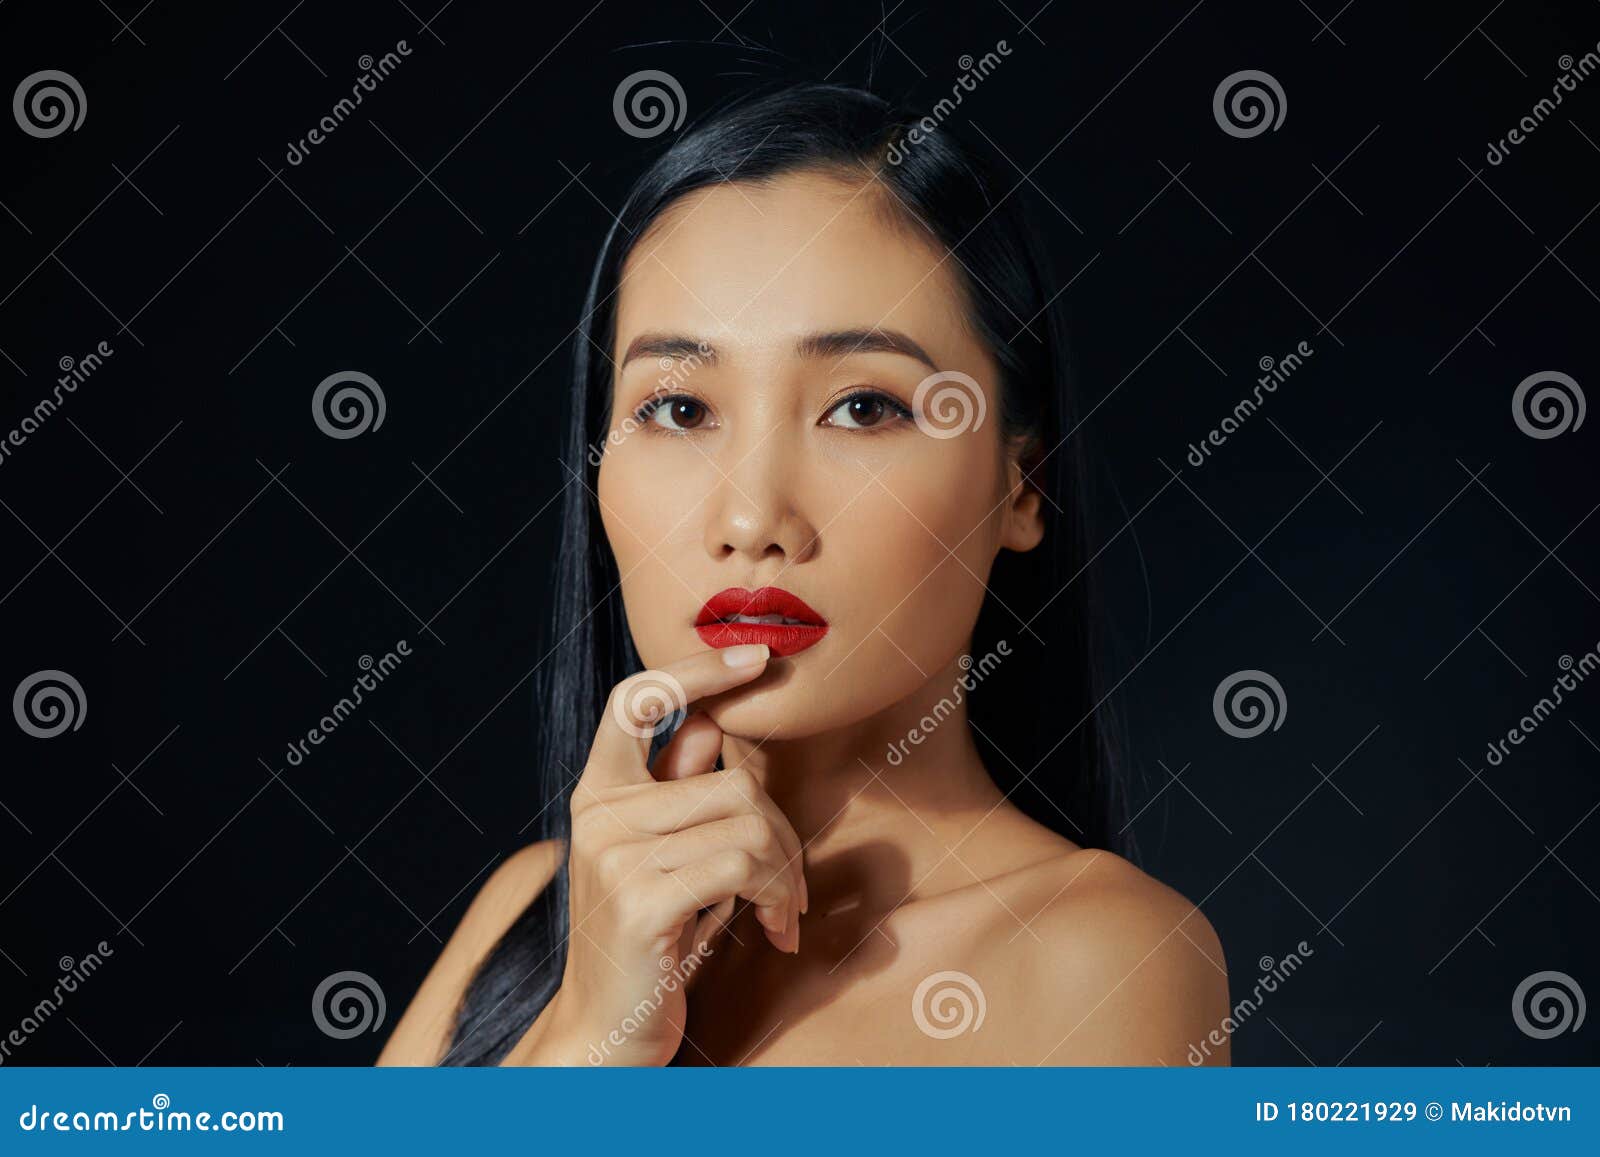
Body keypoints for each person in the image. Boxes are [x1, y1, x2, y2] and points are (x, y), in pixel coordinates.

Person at [377, 81, 1229, 1067]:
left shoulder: (1099, 954)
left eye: (864, 407)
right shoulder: (530, 913)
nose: (750, 518)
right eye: (681, 409)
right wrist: (585, 1038)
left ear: (1021, 484)